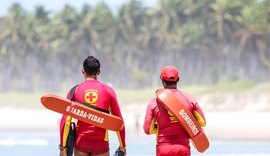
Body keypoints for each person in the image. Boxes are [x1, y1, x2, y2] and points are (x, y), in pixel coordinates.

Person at [59, 56, 126, 156]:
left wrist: (62, 147)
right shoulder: (108, 91)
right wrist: (122, 146)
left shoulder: (74, 91)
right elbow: (119, 121)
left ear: (83, 71)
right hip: (101, 144)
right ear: (99, 72)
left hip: (81, 143)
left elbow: (65, 121)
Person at [143, 65, 206, 156]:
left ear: (162, 81)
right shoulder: (189, 99)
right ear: (178, 79)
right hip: (183, 148)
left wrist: (159, 127)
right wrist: (184, 121)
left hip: (163, 149)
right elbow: (202, 122)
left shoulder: (154, 102)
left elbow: (147, 130)